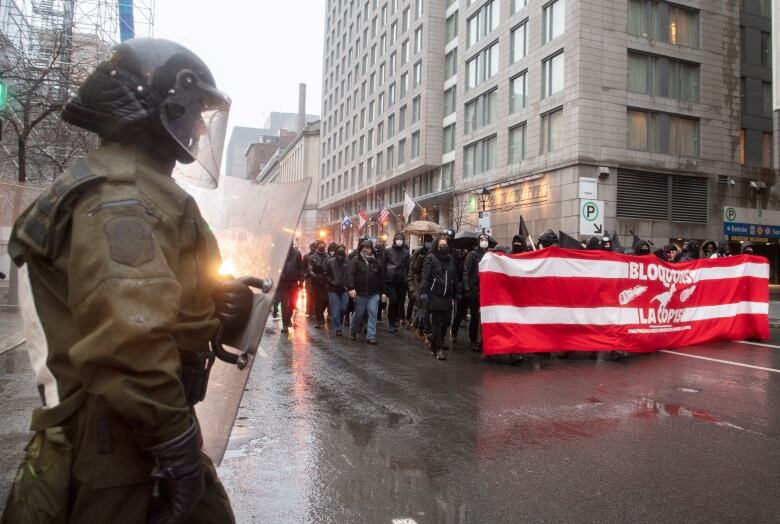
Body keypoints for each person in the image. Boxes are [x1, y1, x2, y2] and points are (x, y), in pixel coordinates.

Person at [2, 38, 236, 522]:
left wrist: (213, 299)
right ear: (154, 109)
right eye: (190, 112)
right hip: (117, 444)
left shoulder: (134, 186)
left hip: (137, 427)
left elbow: (143, 299)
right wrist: (174, 443)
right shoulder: (121, 197)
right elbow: (130, 342)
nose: (195, 128)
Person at [420, 236, 460, 361]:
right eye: (441, 244)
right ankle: (439, 349)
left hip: (447, 296)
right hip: (435, 295)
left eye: (445, 244)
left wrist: (457, 290)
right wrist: (424, 292)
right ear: (437, 246)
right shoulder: (430, 258)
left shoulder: (450, 259)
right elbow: (425, 277)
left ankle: (436, 339)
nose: (444, 246)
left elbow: (455, 276)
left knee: (447, 321)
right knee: (436, 322)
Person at [348, 239, 386, 344]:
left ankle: (371, 336)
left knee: (373, 313)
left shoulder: (376, 262)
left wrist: (383, 292)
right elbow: (350, 275)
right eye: (363, 248)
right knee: (359, 314)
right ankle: (353, 330)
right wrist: (351, 288)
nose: (365, 250)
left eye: (368, 248)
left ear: (372, 250)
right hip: (360, 293)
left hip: (374, 294)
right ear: (360, 248)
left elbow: (382, 278)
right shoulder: (355, 260)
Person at [461, 234, 490, 352]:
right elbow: (466, 273)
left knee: (486, 317)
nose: (484, 241)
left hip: (486, 290)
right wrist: (467, 288)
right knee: (475, 316)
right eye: (482, 239)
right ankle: (473, 340)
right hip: (474, 291)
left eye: (486, 240)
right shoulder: (471, 255)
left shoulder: (489, 255)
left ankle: (484, 340)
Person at [383, 232, 410, 333]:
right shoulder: (388, 251)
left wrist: (407, 279)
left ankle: (394, 322)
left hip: (401, 282)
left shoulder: (406, 253)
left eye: (401, 239)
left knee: (399, 302)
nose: (399, 241)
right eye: (398, 239)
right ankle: (391, 324)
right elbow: (384, 265)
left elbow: (408, 268)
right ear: (395, 239)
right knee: (393, 301)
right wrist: (384, 280)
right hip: (390, 281)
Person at [279, 243, 304, 333]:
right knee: (284, 304)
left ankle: (288, 318)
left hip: (293, 282)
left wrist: (301, 281)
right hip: (283, 283)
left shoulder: (297, 253)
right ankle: (285, 324)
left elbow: (301, 268)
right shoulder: (280, 253)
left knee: (293, 303)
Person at [326, 245, 350, 336]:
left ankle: (339, 319)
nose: (340, 257)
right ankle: (337, 328)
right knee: (335, 309)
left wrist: (349, 285)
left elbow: (350, 275)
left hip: (344, 289)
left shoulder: (348, 262)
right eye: (339, 255)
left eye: (342, 255)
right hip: (333, 289)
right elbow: (327, 274)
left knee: (344, 307)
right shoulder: (331, 262)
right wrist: (331, 281)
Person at [307, 240, 329, 328]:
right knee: (318, 300)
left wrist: (326, 275)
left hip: (325, 281)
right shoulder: (312, 257)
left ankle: (320, 313)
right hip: (316, 282)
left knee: (326, 300)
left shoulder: (328, 257)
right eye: (320, 245)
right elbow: (310, 269)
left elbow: (329, 268)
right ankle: (319, 319)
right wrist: (314, 275)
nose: (322, 247)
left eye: (323, 245)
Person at [302, 242, 317, 316]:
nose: (313, 248)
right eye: (312, 247)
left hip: (315, 278)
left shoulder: (317, 256)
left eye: (314, 247)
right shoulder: (306, 256)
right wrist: (305, 275)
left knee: (314, 295)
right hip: (309, 278)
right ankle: (309, 309)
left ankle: (313, 309)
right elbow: (303, 267)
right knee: (309, 295)